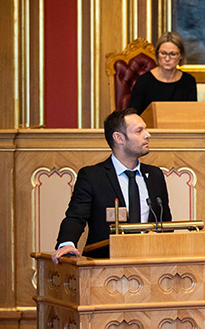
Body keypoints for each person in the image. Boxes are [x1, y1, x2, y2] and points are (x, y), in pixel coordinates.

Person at [52, 108, 172, 263]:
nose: (148, 135)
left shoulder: (155, 175)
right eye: (139, 131)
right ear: (119, 138)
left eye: (146, 129)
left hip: (151, 265)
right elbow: (76, 217)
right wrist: (67, 243)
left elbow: (166, 222)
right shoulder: (92, 176)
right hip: (105, 267)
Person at [129, 31, 197, 115]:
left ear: (181, 55)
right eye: (163, 53)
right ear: (157, 54)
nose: (167, 58)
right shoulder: (143, 81)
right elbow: (134, 116)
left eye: (173, 54)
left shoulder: (189, 82)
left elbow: (191, 115)